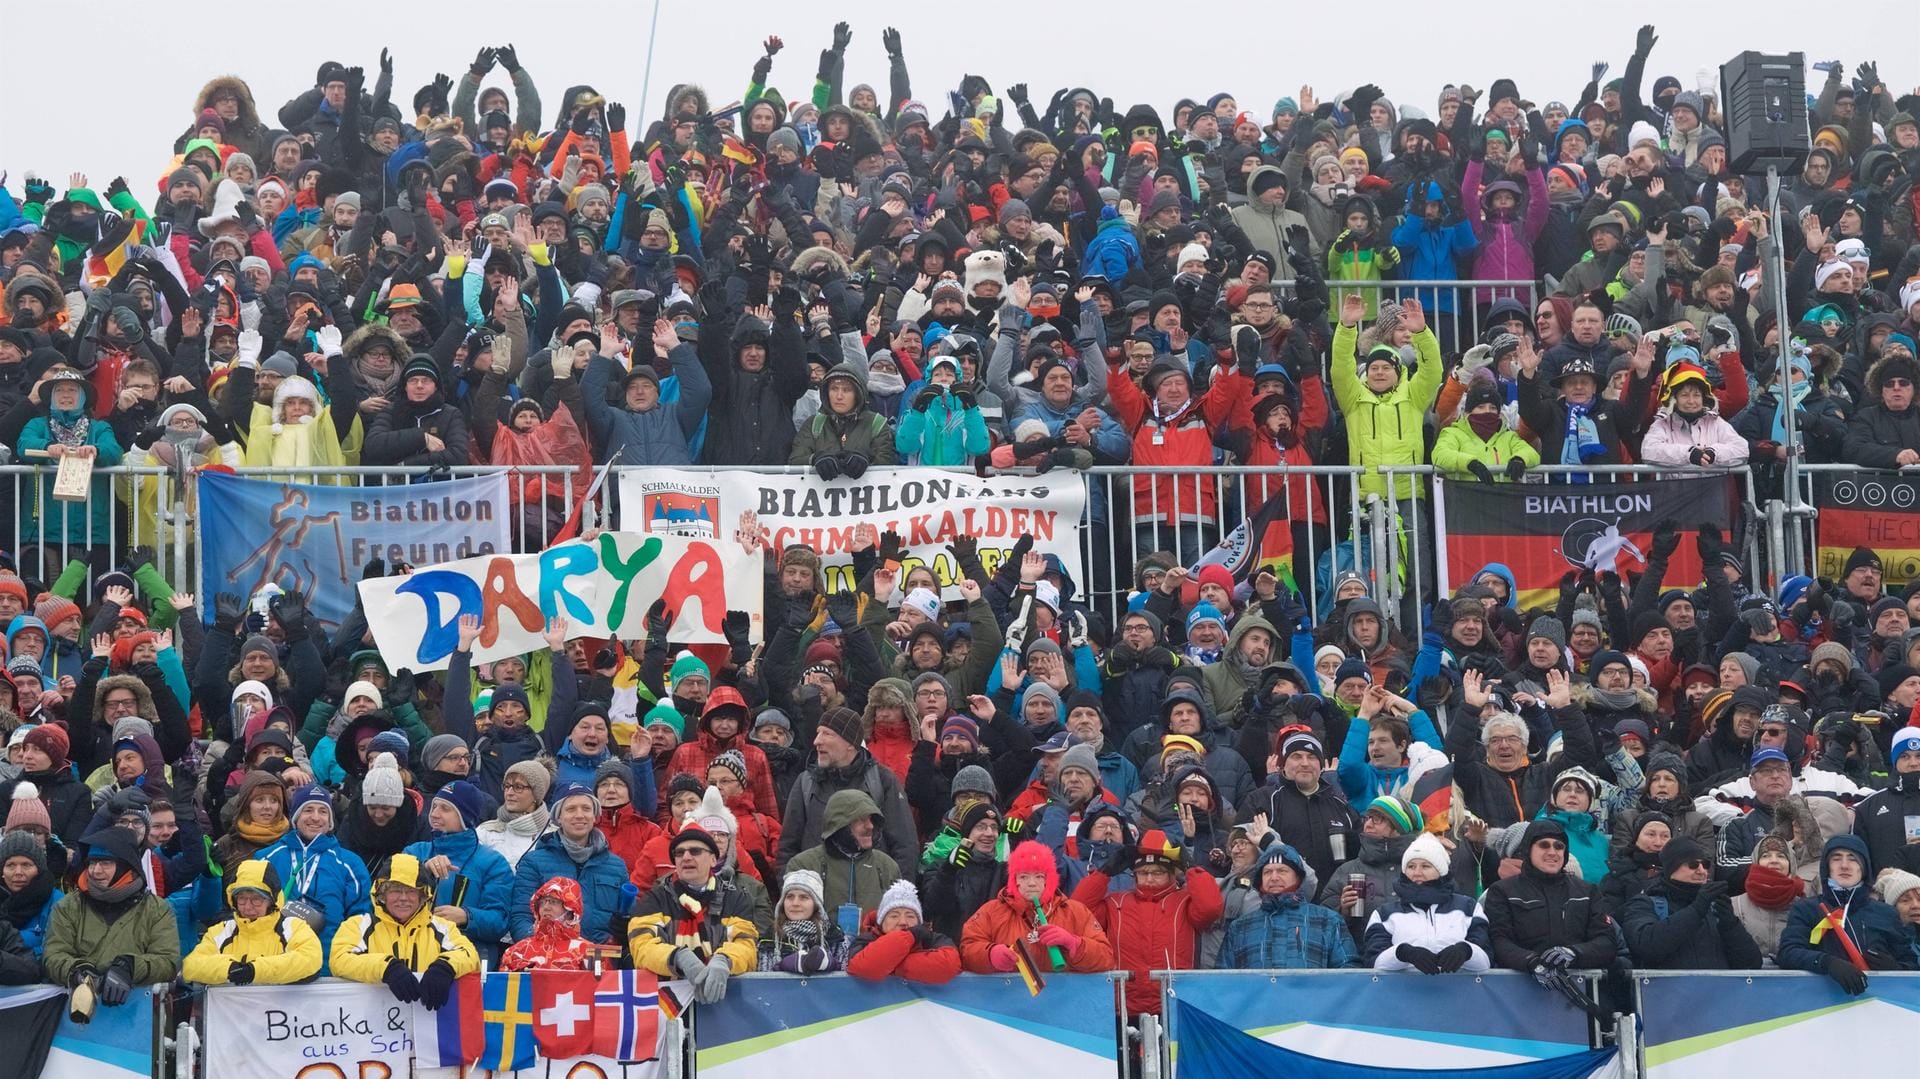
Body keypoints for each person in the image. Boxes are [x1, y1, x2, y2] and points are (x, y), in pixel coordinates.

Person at [1071, 829, 1222, 1013]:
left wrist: (1191, 868)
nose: (1149, 878)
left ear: (1171, 874)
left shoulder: (1185, 902)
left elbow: (1211, 907)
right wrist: (1103, 874)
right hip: (1123, 1009)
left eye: (1158, 872)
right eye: (1143, 872)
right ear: (1134, 875)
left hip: (1174, 1007)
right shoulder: (1115, 902)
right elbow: (1078, 912)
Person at [42, 826, 180, 1008]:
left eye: (105, 863)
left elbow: (168, 961)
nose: (95, 871)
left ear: (125, 865)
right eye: (91, 863)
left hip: (139, 1017)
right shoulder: (68, 906)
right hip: (75, 1016)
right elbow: (54, 954)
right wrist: (77, 971)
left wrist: (129, 967)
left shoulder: (156, 909)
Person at [628, 824, 759, 1004]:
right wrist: (678, 957)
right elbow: (641, 946)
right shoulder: (655, 898)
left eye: (695, 851)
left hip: (724, 1002)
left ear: (714, 859)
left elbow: (746, 945)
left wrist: (724, 960)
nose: (686, 857)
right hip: (667, 1006)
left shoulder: (736, 898)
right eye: (679, 853)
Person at [330, 853, 481, 1008]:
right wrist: (386, 968)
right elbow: (339, 960)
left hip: (427, 1020)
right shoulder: (359, 925)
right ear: (382, 894)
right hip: (373, 1022)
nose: (403, 898)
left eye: (411, 891)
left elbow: (469, 955)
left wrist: (445, 967)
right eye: (395, 890)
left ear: (423, 896)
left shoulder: (442, 927)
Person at [254, 785, 372, 971]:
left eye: (323, 811)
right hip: (273, 966)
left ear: (330, 820)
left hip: (329, 968)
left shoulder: (350, 863)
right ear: (295, 817)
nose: (315, 817)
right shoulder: (266, 858)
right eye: (308, 810)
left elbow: (360, 919)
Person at [1778, 835, 1915, 993]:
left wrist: (1895, 969)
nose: (1844, 865)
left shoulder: (1886, 913)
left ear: (1863, 868)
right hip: (1821, 1005)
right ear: (1827, 867)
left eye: (1853, 859)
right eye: (1836, 858)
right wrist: (1827, 963)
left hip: (1880, 1005)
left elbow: (1910, 963)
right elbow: (1788, 952)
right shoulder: (1806, 909)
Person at [1482, 819, 1617, 973]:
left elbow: (1606, 942)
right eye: (1543, 845)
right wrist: (1532, 962)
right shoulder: (1502, 891)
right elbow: (1498, 940)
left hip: (1578, 986)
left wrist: (1575, 953)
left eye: (1559, 846)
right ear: (1528, 850)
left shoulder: (1587, 891)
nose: (1552, 852)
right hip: (1520, 984)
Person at [401, 780, 513, 964]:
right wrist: (422, 871)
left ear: (465, 817)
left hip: (468, 960)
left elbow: (500, 920)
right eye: (434, 806)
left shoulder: (493, 862)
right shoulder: (414, 852)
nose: (435, 814)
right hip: (413, 955)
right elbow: (385, 899)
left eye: (445, 808)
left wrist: (466, 917)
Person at [961, 839, 1113, 975]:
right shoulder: (991, 911)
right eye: (1024, 876)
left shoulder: (1075, 911)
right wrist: (990, 955)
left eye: (1039, 876)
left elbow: (1106, 957)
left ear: (1049, 879)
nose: (1032, 883)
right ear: (1014, 880)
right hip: (1008, 1002)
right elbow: (967, 950)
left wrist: (1073, 944)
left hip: (1064, 1002)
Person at [510, 782, 631, 943]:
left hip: (601, 959)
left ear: (595, 816)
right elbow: (520, 918)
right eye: (571, 809)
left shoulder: (616, 866)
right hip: (548, 959)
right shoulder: (534, 862)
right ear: (558, 817)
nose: (579, 815)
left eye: (586, 809)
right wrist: (540, 947)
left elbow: (627, 921)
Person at [1619, 837, 1764, 969]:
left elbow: (1752, 964)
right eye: (1693, 864)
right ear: (1672, 868)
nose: (1702, 871)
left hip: (1720, 995)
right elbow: (1646, 947)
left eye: (1705, 864)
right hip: (1665, 995)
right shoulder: (1645, 902)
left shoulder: (1714, 907)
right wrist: (1697, 909)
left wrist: (1731, 925)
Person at [1362, 833, 1490, 973]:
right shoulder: (1384, 914)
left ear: (1441, 870)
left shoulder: (1469, 908)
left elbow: (1486, 961)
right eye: (1411, 866)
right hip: (1402, 992)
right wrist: (1402, 953)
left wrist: (1467, 951)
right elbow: (1373, 962)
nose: (1417, 872)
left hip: (1459, 991)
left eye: (1425, 866)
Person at [1217, 842, 1358, 969]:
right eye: (1267, 872)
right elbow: (1223, 982)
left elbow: (1349, 973)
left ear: (1298, 877)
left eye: (1282, 871)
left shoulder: (1328, 921)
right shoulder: (1239, 927)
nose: (1274, 877)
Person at [182, 860, 324, 985]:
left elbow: (310, 959)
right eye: (242, 899)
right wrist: (229, 969)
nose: (248, 907)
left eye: (257, 899)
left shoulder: (293, 927)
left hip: (277, 1013)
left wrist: (255, 971)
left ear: (272, 901)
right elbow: (191, 966)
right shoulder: (221, 931)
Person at [783, 788, 902, 915]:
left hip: (875, 935)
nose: (870, 826)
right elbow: (793, 919)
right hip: (819, 935)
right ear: (840, 825)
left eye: (871, 819)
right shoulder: (804, 865)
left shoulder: (887, 866)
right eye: (861, 819)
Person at [846, 880, 962, 983]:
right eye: (894, 916)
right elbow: (865, 968)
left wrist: (892, 966)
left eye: (910, 916)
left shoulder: (932, 939)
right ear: (881, 921)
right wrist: (909, 936)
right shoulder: (864, 940)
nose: (903, 922)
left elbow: (949, 965)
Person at [501, 878, 602, 971]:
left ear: (571, 910)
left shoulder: (588, 951)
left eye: (553, 902)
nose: (546, 907)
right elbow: (501, 987)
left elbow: (599, 987)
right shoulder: (516, 951)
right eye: (542, 902)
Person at [759, 868, 846, 973]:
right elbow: (763, 982)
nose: (795, 903)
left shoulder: (834, 937)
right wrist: (782, 968)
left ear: (816, 904)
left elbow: (844, 980)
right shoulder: (769, 938)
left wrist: (832, 965)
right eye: (790, 897)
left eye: (803, 897)